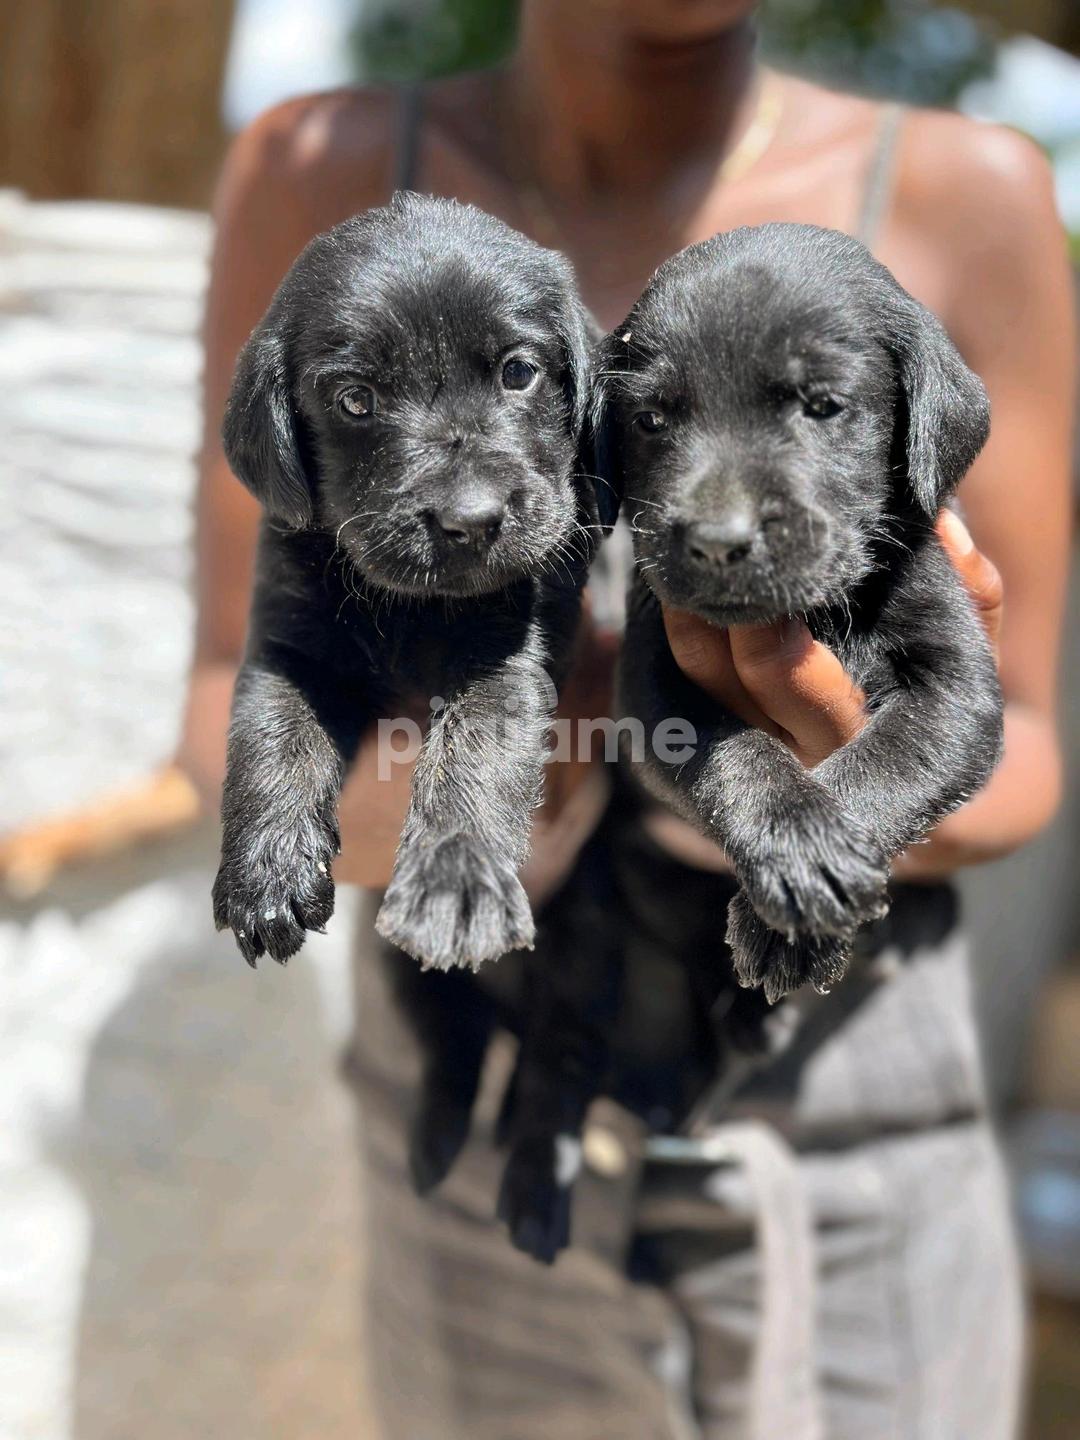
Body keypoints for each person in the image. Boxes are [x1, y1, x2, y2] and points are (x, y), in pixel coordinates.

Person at [180, 3, 1074, 1436]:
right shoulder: (313, 166)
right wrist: (515, 777)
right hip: (473, 1128)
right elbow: (240, 677)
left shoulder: (972, 191)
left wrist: (807, 797)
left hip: (848, 1139)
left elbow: (1018, 738)